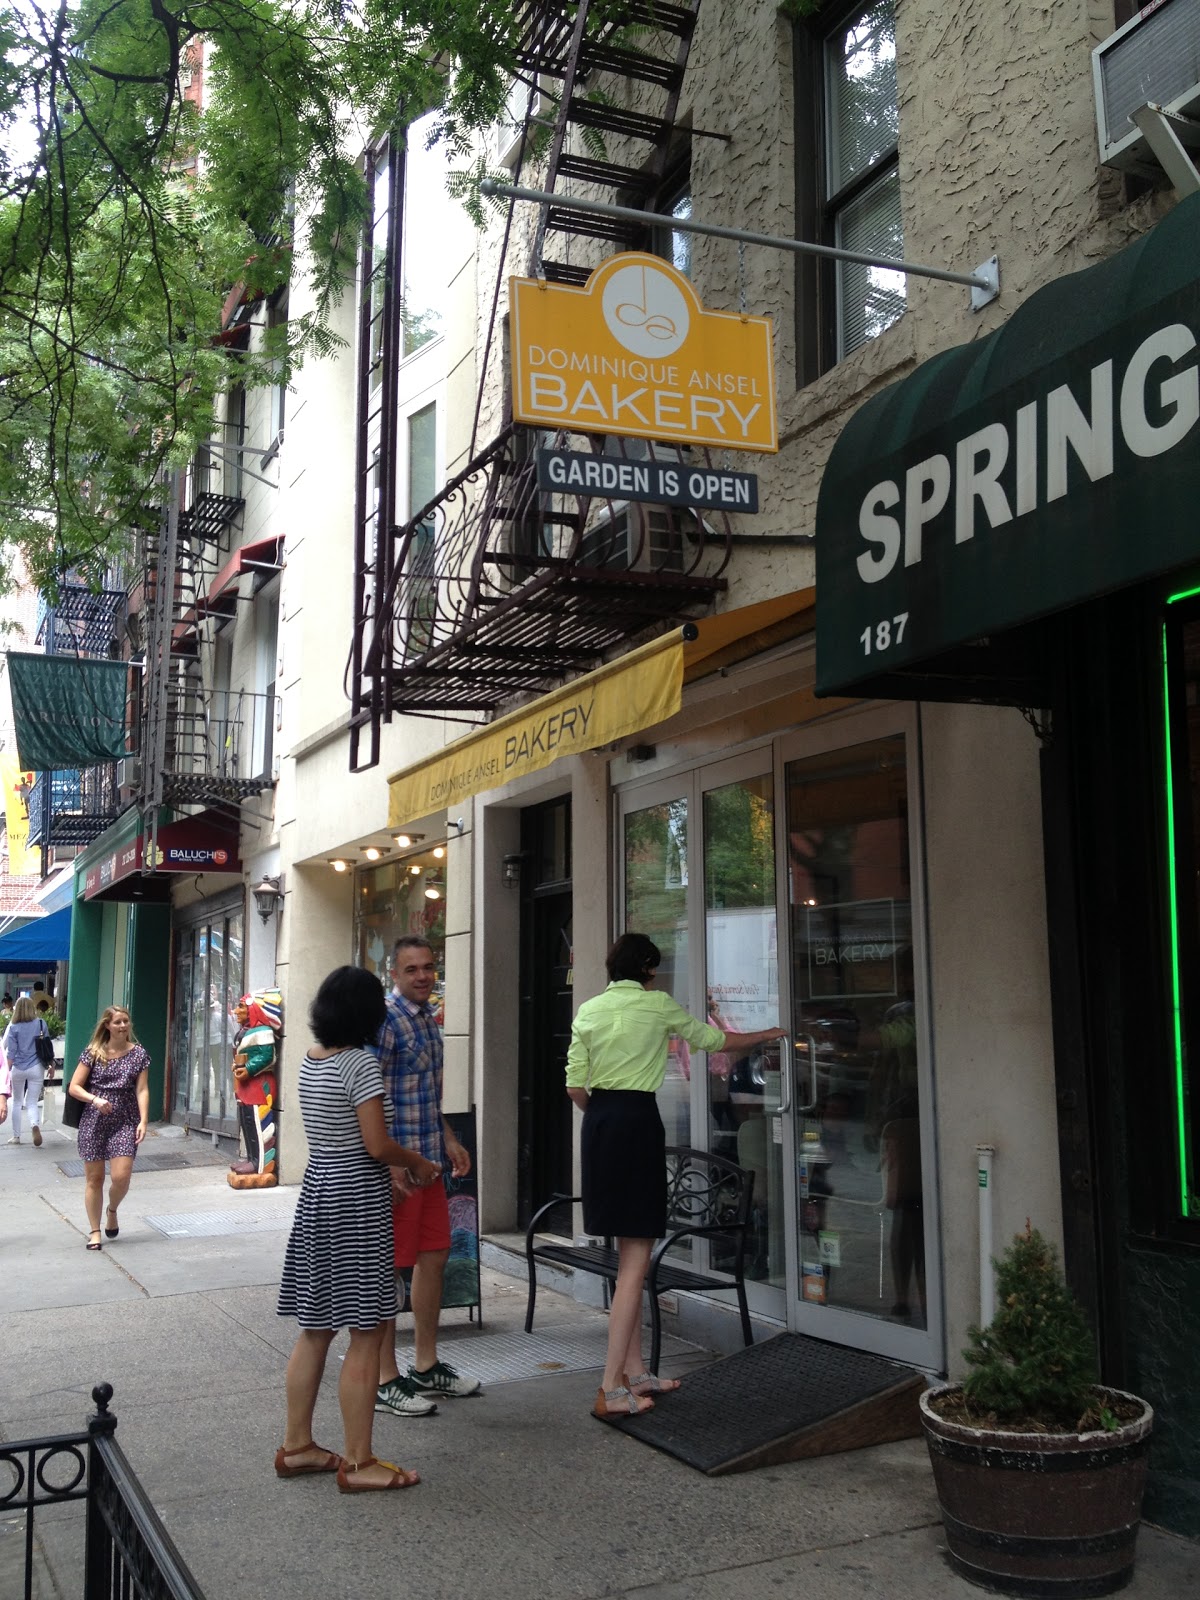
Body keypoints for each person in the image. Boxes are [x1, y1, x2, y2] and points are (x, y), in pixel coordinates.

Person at [566, 932, 787, 1420]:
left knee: (628, 1255)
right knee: (636, 1261)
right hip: (637, 1123)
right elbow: (714, 1041)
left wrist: (604, 1113)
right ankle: (610, 1388)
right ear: (647, 968)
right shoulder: (657, 1005)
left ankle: (637, 1373)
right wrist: (770, 1033)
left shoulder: (588, 1011)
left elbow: (574, 1087)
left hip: (599, 1124)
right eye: (655, 968)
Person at [275, 965, 442, 1493]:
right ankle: (359, 1460)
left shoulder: (310, 1061)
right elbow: (375, 1144)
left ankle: (297, 1445)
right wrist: (415, 1160)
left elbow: (340, 1135)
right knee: (368, 1331)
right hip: (357, 1201)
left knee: (316, 1325)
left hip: (319, 1191)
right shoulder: (362, 1064)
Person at [374, 937, 480, 1418]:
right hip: (398, 1168)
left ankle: (426, 1365)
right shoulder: (386, 1020)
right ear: (393, 974)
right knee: (386, 1273)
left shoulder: (429, 1020)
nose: (422, 975)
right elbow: (369, 1096)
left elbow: (424, 1099)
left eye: (428, 967)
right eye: (411, 969)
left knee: (434, 1258)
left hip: (430, 1163)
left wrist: (451, 1138)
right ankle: (384, 1378)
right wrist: (390, 1162)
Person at [68, 1006, 150, 1250]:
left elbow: (142, 1089)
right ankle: (95, 1231)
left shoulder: (139, 1054)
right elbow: (74, 1086)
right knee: (94, 1179)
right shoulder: (93, 1053)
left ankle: (112, 1209)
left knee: (121, 1177)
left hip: (125, 1119)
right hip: (94, 1120)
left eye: (126, 1021)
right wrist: (94, 1099)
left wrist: (143, 1120)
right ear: (107, 1025)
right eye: (117, 1022)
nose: (123, 1026)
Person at [227, 988, 282, 1189]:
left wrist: (248, 1069)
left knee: (258, 1124)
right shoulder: (246, 1031)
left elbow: (267, 1056)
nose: (236, 1010)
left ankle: (261, 1164)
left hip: (259, 1086)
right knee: (247, 1121)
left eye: (241, 1006)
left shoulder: (263, 1032)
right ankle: (251, 1159)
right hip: (246, 1086)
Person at [4, 995, 48, 1146]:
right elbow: (47, 1046)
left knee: (17, 1102)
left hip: (18, 1067)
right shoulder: (41, 1023)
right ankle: (34, 1125)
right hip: (36, 1067)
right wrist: (52, 1065)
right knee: (32, 1101)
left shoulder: (13, 1027)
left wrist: (6, 1072)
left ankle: (16, 1137)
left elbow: (11, 1053)